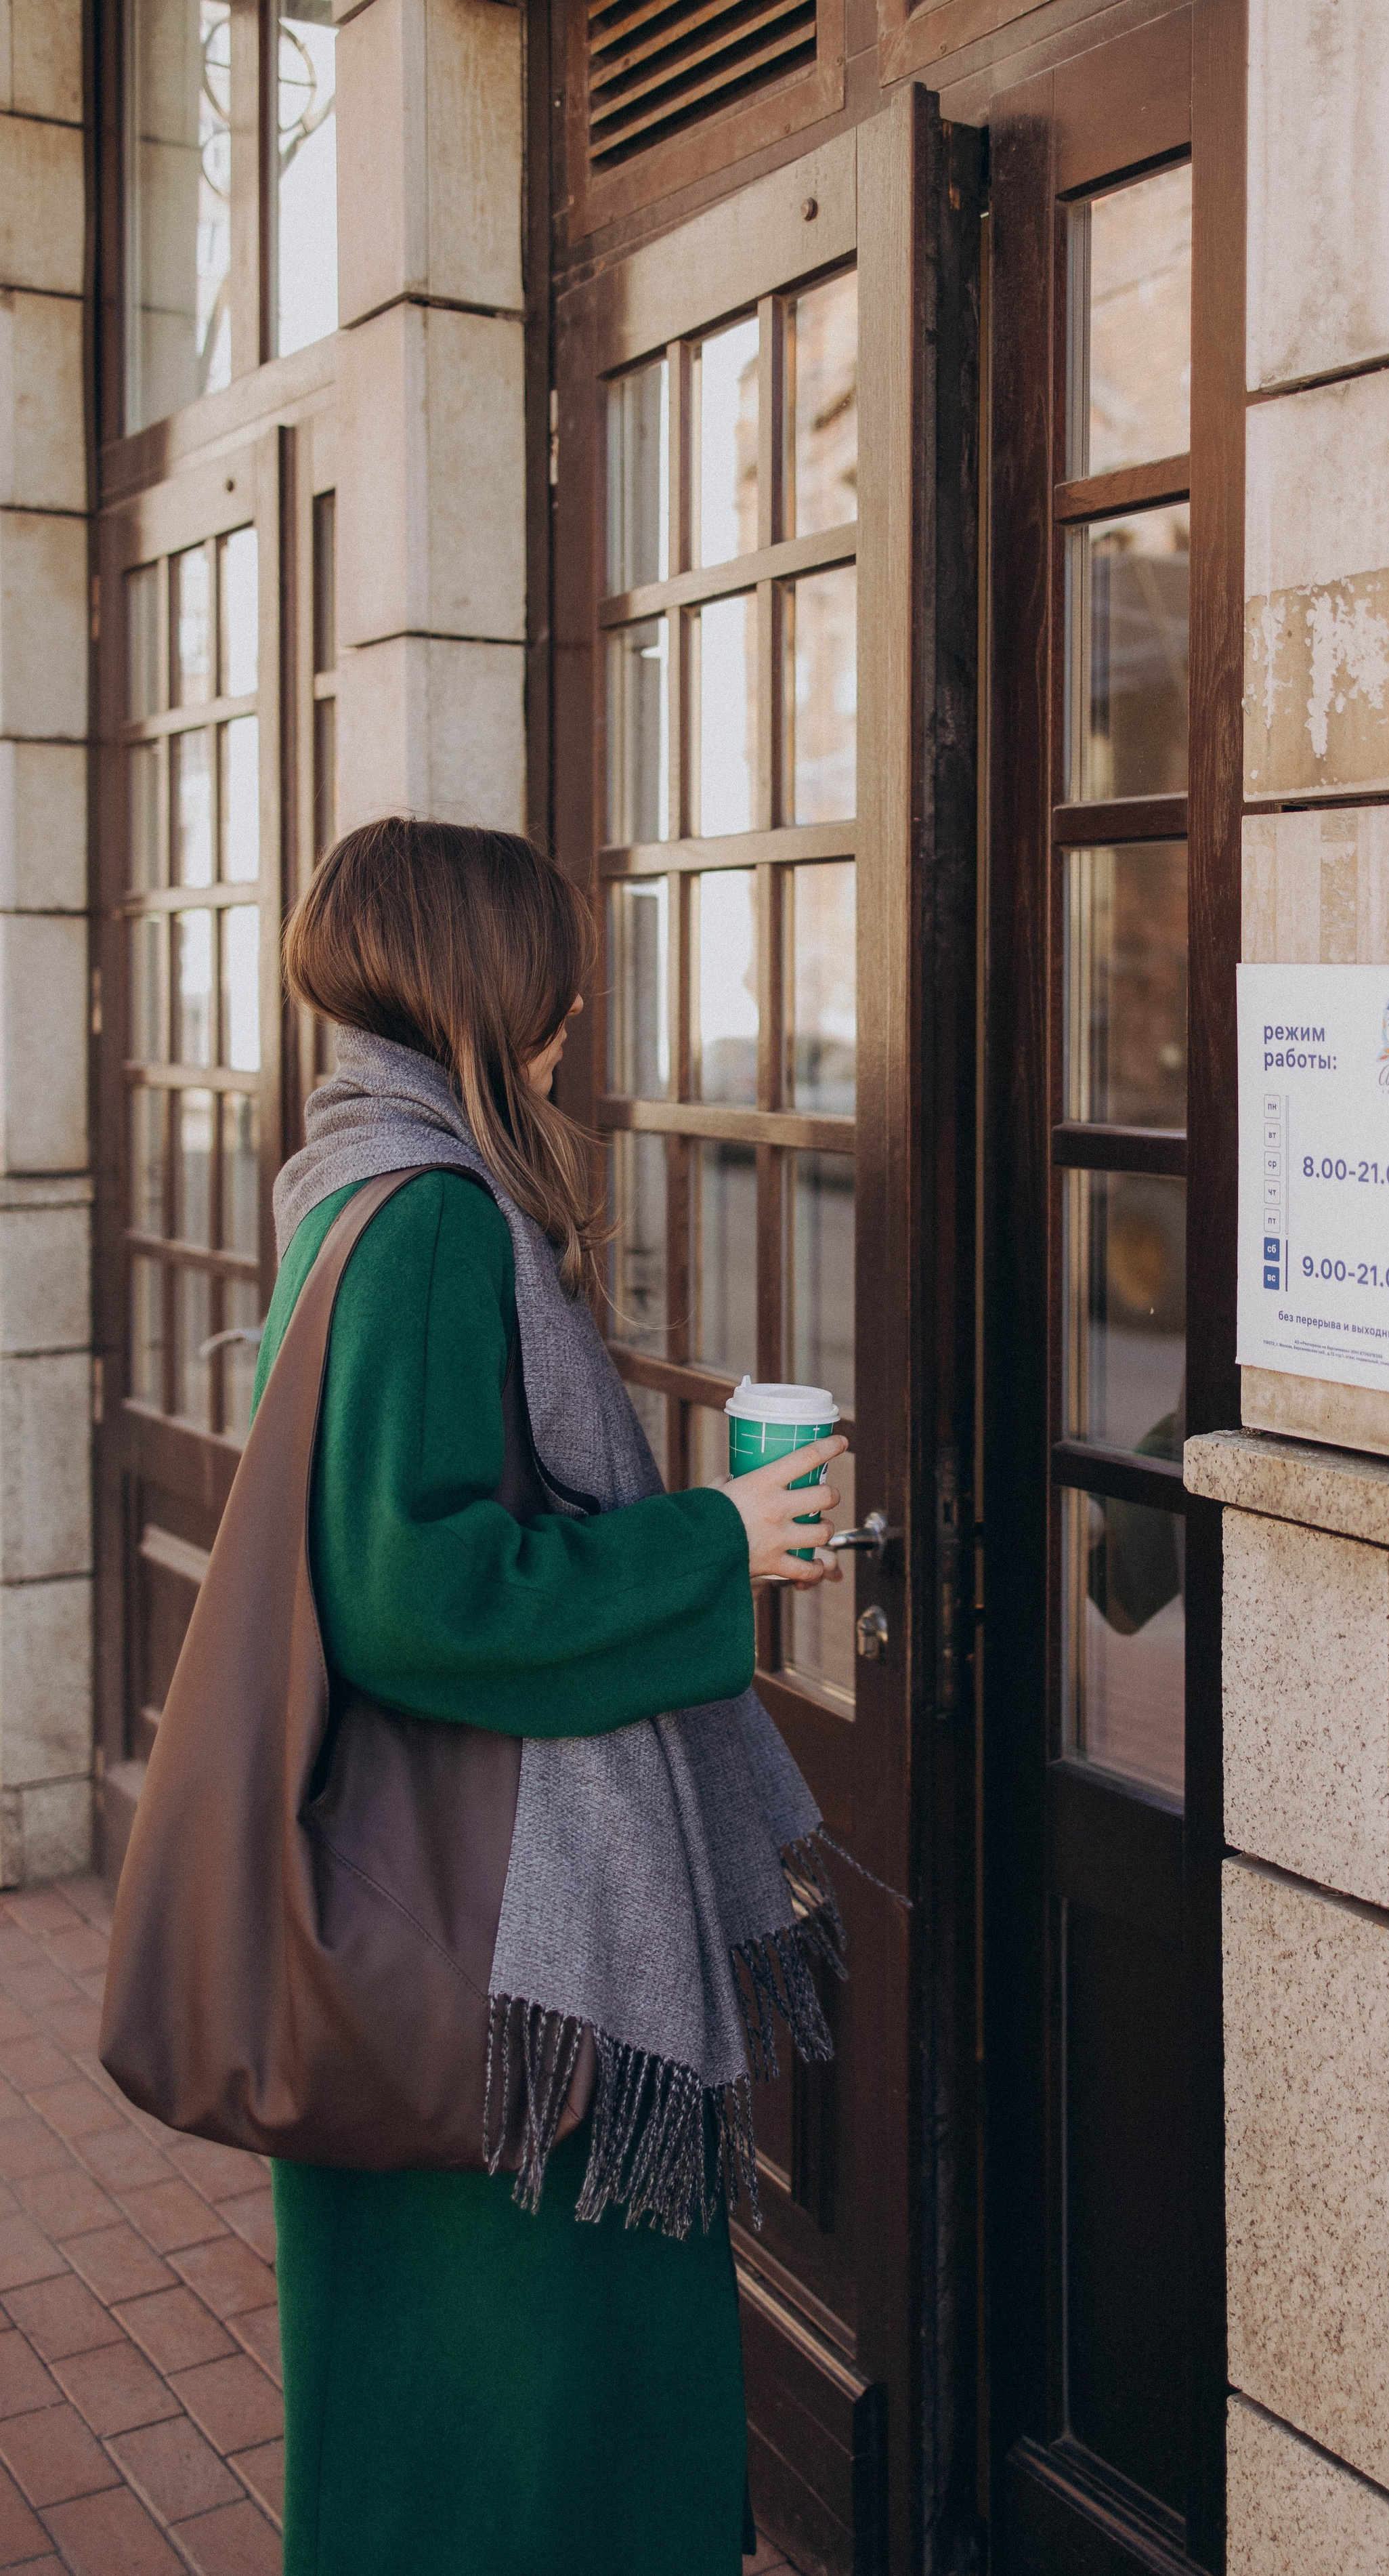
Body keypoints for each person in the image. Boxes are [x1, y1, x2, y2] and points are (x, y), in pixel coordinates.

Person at [260, 816, 847, 2575]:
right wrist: (711, 1538)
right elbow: (415, 1593)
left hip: (440, 1914)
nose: (578, 1005)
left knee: (449, 2438)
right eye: (553, 967)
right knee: (530, 2438)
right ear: (478, 979)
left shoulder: (350, 1177)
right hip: (501, 1941)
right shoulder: (433, 1214)